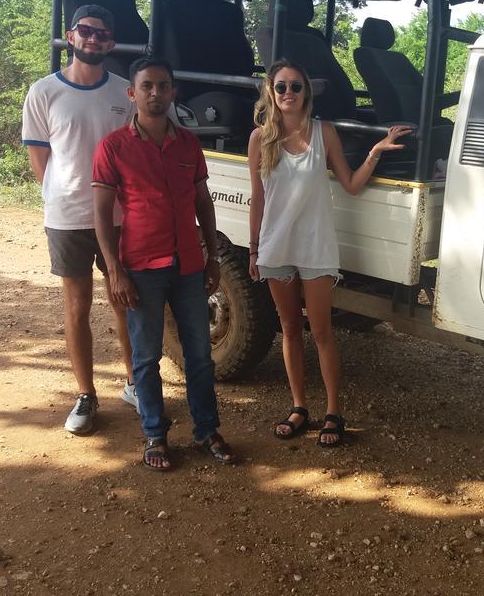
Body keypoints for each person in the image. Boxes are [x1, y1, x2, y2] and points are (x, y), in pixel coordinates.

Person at [248, 59, 412, 447]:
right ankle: (299, 407)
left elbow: (351, 184)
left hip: (315, 247)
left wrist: (375, 151)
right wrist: (254, 249)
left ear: (307, 92)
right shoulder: (260, 139)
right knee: (288, 329)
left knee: (321, 332)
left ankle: (334, 412)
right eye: (281, 87)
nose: (289, 93)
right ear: (271, 92)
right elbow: (259, 199)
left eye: (296, 87)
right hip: (276, 247)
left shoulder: (324, 133)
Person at [92, 57, 237, 471]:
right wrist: (115, 269)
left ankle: (207, 429)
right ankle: (155, 434)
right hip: (140, 265)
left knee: (200, 354)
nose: (155, 93)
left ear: (173, 92)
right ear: (132, 92)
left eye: (163, 86)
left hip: (190, 264)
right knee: (145, 356)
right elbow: (101, 214)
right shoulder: (114, 146)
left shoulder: (189, 144)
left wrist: (213, 256)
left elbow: (202, 203)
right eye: (147, 86)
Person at [22, 4, 137, 435]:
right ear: (71, 36)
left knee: (126, 301)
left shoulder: (126, 93)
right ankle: (86, 394)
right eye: (86, 31)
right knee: (77, 306)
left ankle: (134, 382)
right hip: (67, 217)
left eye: (102, 35)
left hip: (121, 217)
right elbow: (40, 158)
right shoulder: (43, 92)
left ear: (111, 43)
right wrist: (58, 199)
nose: (93, 39)